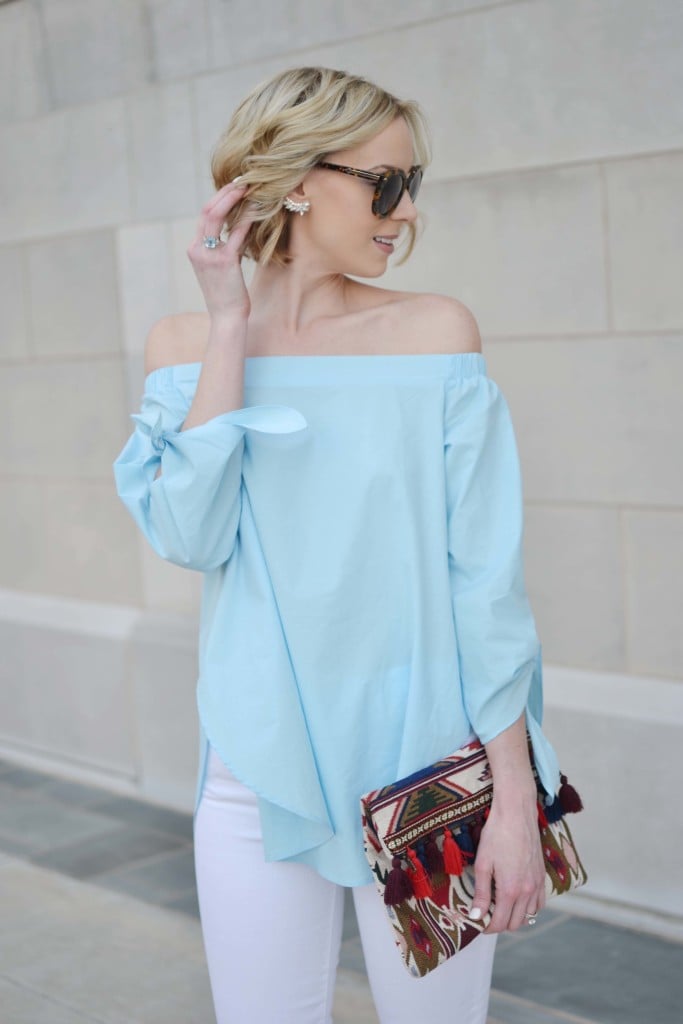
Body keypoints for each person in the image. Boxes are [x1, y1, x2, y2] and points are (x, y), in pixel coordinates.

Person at [113, 66, 560, 1024]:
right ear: (298, 182)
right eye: (384, 183)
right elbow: (190, 537)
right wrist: (228, 324)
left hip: (430, 766)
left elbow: (485, 586)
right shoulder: (186, 345)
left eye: (411, 184)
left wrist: (514, 799)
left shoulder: (433, 335)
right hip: (257, 768)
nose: (406, 212)